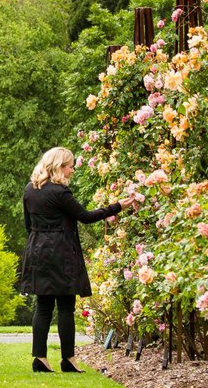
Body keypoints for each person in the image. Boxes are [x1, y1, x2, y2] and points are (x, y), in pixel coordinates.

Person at [18, 146, 132, 373]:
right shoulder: (60, 193)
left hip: (37, 252)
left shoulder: (30, 190)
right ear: (59, 167)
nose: (72, 170)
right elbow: (86, 217)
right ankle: (68, 360)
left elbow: (28, 225)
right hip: (61, 254)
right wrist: (117, 206)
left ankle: (39, 358)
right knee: (66, 307)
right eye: (70, 166)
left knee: (42, 306)